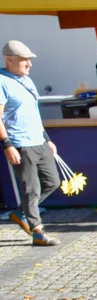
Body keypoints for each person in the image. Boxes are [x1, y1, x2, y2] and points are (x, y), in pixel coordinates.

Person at [2, 40, 61, 247]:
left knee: (53, 182)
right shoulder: (2, 81)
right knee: (31, 188)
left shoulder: (27, 80)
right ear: (10, 60)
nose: (29, 64)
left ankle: (21, 213)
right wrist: (7, 145)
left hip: (38, 140)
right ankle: (38, 231)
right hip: (20, 143)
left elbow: (34, 113)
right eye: (25, 60)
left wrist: (47, 139)